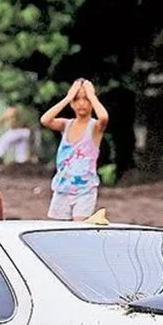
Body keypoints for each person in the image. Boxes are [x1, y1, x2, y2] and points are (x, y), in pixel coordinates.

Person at [40, 79, 110, 221]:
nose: (81, 103)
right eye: (77, 99)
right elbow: (45, 120)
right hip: (62, 189)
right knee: (58, 230)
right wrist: (67, 98)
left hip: (85, 191)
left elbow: (103, 117)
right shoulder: (66, 125)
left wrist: (92, 95)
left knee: (78, 229)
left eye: (86, 99)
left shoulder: (94, 127)